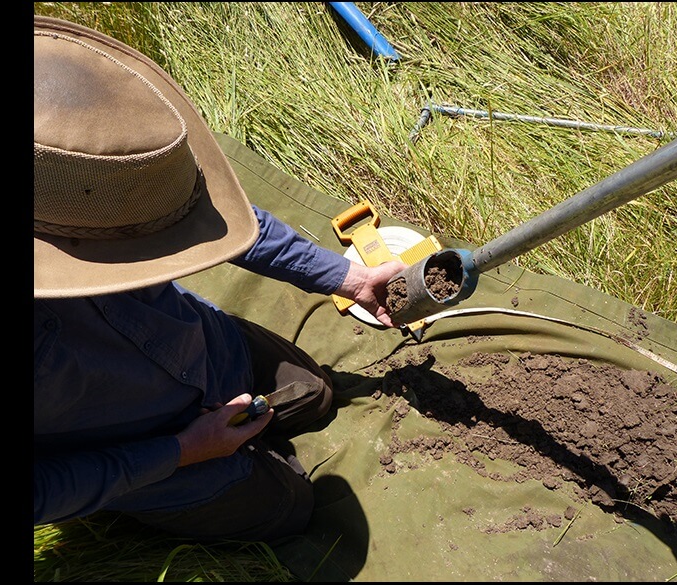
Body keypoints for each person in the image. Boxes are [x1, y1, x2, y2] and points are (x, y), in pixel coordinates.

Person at [34, 15, 406, 542]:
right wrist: (184, 451)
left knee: (316, 396)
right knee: (293, 508)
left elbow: (207, 212)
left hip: (202, 347)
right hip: (141, 458)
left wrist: (346, 277)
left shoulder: (66, 156)